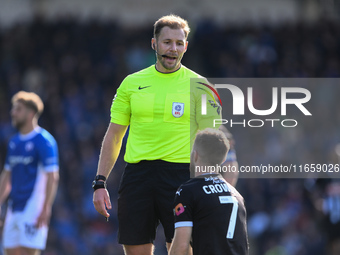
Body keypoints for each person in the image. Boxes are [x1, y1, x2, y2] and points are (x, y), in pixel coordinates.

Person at [92, 14, 221, 255]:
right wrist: (100, 182)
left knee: (182, 250)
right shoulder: (131, 83)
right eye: (167, 42)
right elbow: (114, 136)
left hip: (182, 176)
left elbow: (214, 139)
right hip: (138, 177)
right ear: (154, 44)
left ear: (186, 47)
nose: (173, 49)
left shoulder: (202, 86)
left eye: (179, 43)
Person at [169, 128, 249, 255]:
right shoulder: (238, 196)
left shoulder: (188, 191)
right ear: (223, 160)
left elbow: (181, 247)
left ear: (195, 155)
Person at [0, 91, 59, 255]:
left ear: (30, 113)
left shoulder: (44, 141)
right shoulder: (14, 142)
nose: (13, 113)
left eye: (18, 109)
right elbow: (6, 176)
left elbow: (52, 176)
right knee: (9, 251)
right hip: (14, 208)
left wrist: (46, 207)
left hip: (33, 209)